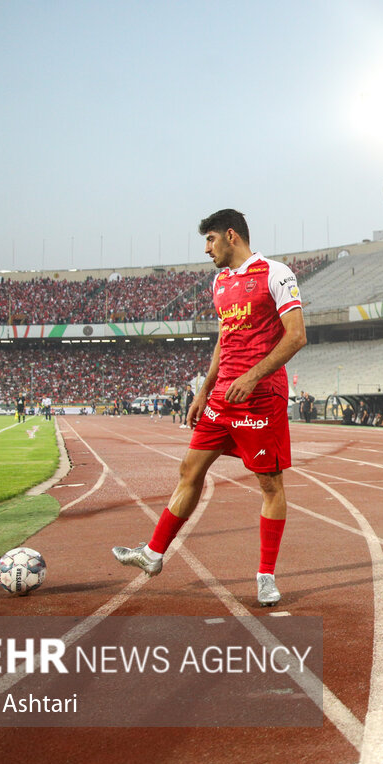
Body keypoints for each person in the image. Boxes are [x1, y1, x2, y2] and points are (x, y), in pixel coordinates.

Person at [111, 209, 307, 606]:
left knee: (270, 485)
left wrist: (251, 377)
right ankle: (153, 554)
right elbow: (224, 338)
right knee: (189, 470)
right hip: (221, 399)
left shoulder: (276, 274)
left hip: (261, 397)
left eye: (210, 240)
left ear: (231, 236)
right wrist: (203, 391)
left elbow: (297, 336)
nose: (206, 249)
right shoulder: (219, 282)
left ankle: (266, 576)